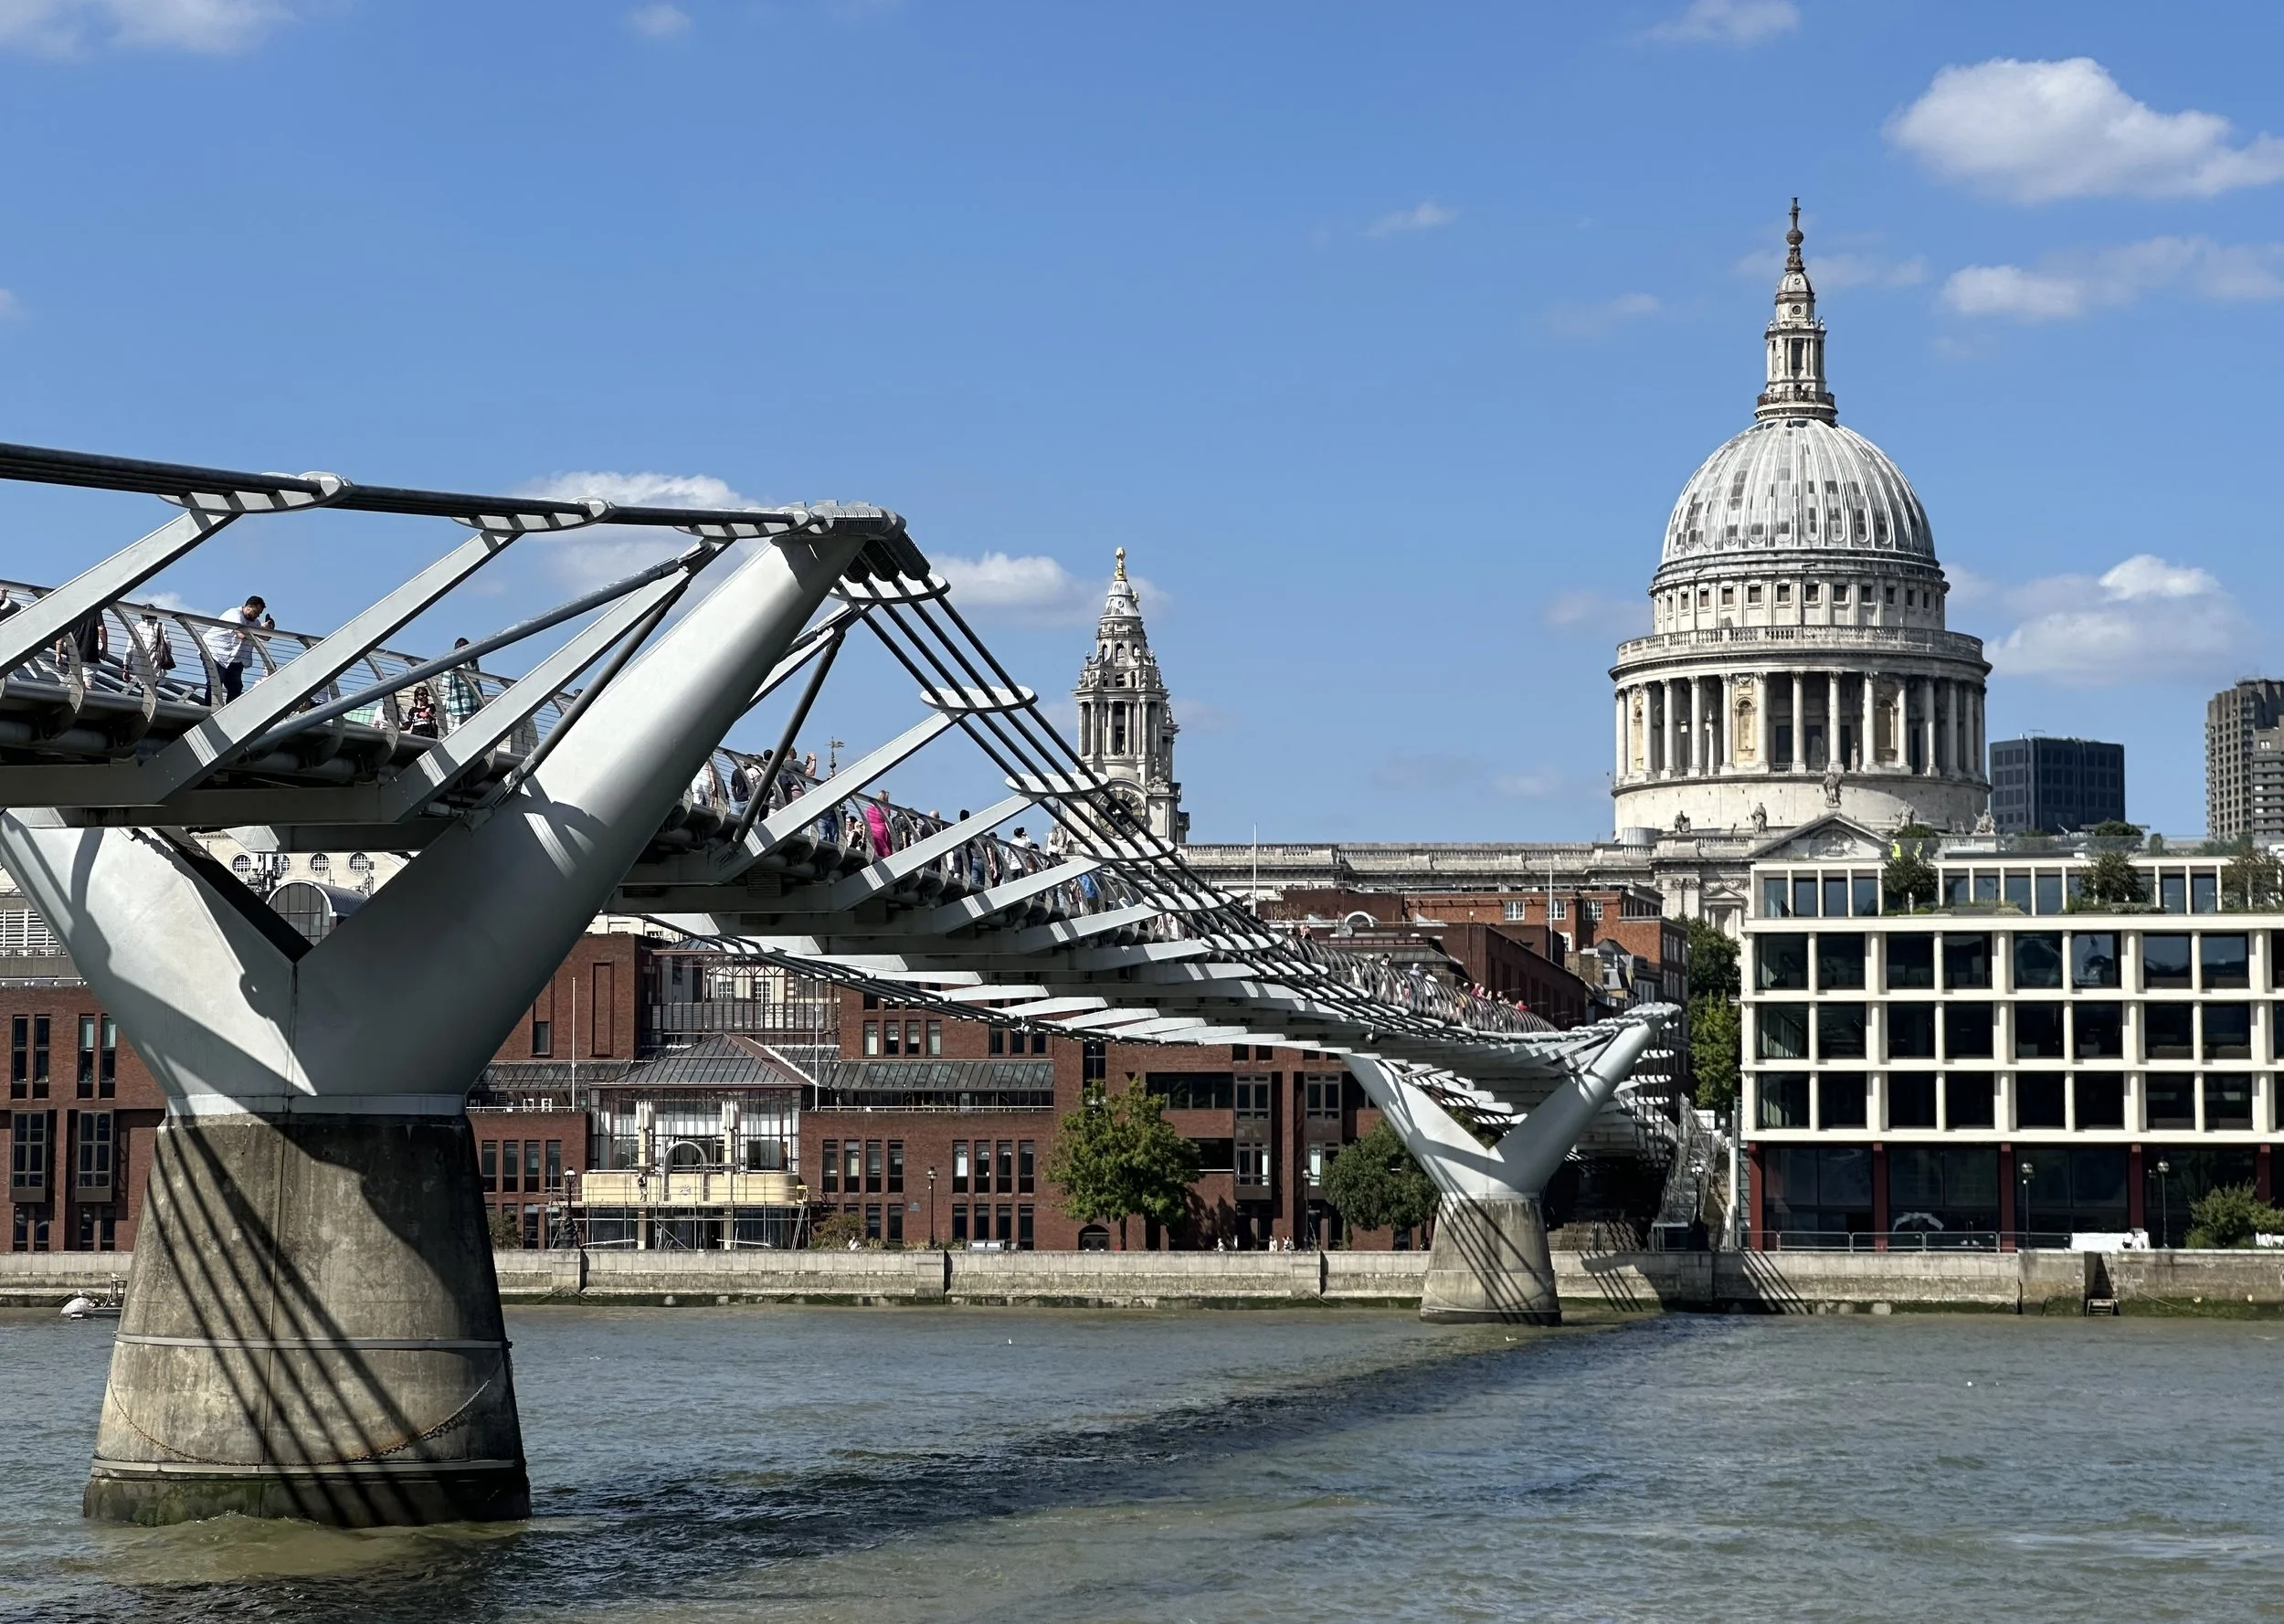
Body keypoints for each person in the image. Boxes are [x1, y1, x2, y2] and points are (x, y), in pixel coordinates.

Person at [204, 596, 265, 703]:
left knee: (236, 687)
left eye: (259, 614)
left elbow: (266, 637)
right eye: (256, 612)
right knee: (215, 683)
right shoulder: (234, 615)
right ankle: (209, 708)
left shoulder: (255, 623)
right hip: (215, 652)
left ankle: (231, 710)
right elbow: (241, 635)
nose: (257, 616)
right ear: (249, 607)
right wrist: (259, 630)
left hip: (234, 658)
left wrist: (266, 628)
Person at [440, 637, 483, 732]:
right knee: (469, 731)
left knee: (453, 733)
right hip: (470, 703)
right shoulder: (473, 663)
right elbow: (477, 681)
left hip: (454, 703)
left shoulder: (450, 662)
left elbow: (446, 683)